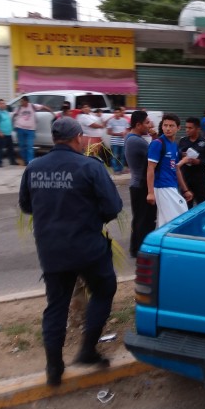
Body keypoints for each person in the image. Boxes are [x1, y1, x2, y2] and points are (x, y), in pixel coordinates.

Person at [18, 116, 123, 387]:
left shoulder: (34, 167)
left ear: (54, 139)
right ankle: (87, 350)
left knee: (56, 306)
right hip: (87, 247)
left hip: (51, 249)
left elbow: (27, 206)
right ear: (78, 138)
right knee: (104, 289)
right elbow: (112, 207)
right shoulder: (90, 167)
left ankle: (54, 368)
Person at [147, 114, 193, 227]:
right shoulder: (157, 144)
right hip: (162, 187)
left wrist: (185, 190)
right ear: (162, 127)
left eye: (171, 126)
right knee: (181, 218)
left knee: (166, 223)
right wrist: (150, 193)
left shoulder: (174, 145)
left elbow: (176, 169)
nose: (168, 128)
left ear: (178, 128)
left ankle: (162, 243)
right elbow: (150, 169)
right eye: (165, 125)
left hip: (172, 186)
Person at [124, 111, 157, 258]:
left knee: (140, 218)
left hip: (137, 184)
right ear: (138, 125)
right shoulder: (136, 141)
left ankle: (136, 248)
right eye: (147, 123)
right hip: (141, 185)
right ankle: (140, 249)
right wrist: (155, 137)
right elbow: (157, 155)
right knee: (144, 220)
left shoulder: (133, 138)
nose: (150, 125)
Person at [178, 117, 205, 208]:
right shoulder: (182, 141)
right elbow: (177, 158)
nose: (187, 130)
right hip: (186, 179)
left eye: (190, 128)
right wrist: (182, 156)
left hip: (201, 180)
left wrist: (199, 161)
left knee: (202, 206)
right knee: (186, 207)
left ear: (198, 129)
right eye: (186, 128)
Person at [13, 95, 52, 165]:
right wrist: (14, 125)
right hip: (20, 129)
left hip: (30, 130)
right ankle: (25, 160)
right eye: (20, 101)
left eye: (22, 101)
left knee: (29, 146)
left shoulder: (32, 106)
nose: (21, 103)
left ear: (26, 101)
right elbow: (14, 115)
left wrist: (51, 112)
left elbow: (43, 107)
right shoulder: (18, 108)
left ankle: (30, 162)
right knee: (22, 146)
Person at [0, 99, 17, 168]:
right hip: (1, 134)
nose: (3, 105)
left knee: (11, 149)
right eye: (1, 103)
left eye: (4, 103)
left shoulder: (6, 112)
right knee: (0, 149)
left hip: (8, 134)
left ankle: (12, 161)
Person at [106, 106, 130, 174]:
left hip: (123, 141)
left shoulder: (124, 120)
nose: (117, 114)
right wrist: (118, 134)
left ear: (120, 113)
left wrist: (125, 133)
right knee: (115, 156)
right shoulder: (111, 121)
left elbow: (128, 129)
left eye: (118, 112)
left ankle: (121, 169)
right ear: (114, 113)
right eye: (115, 112)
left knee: (122, 156)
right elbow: (108, 132)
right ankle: (116, 170)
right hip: (115, 142)